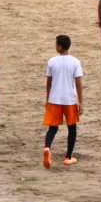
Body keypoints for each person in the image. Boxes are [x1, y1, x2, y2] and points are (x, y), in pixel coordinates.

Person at [43, 35, 83, 168]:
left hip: (54, 99)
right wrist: (80, 102)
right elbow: (78, 84)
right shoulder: (75, 62)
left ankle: (47, 147)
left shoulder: (52, 61)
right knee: (72, 128)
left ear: (60, 46)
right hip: (70, 99)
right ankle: (68, 157)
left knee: (52, 128)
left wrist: (48, 99)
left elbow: (48, 83)